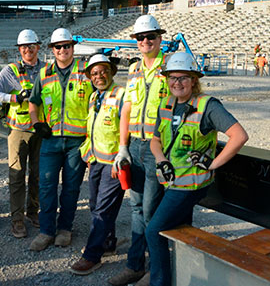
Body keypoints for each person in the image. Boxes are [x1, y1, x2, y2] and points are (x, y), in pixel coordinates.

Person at [146, 52, 248, 286]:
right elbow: (155, 140)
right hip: (171, 181)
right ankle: (186, 277)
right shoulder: (167, 103)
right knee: (182, 230)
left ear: (194, 80)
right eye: (172, 77)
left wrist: (213, 164)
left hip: (191, 185)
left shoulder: (207, 106)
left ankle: (159, 282)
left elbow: (239, 136)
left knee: (153, 231)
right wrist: (161, 159)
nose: (177, 83)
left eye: (184, 78)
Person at [108, 15, 168, 286]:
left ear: (160, 38)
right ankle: (135, 266)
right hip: (134, 144)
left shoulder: (170, 66)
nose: (145, 41)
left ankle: (155, 271)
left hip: (156, 148)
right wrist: (122, 147)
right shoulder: (133, 69)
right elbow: (127, 110)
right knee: (136, 209)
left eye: (150, 37)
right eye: (140, 38)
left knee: (151, 210)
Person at [27, 28, 93, 251]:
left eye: (67, 46)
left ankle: (65, 228)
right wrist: (37, 123)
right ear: (52, 50)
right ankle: (46, 231)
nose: (63, 50)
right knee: (46, 186)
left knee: (71, 188)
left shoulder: (85, 72)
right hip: (51, 140)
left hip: (77, 142)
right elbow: (33, 102)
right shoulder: (44, 74)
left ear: (73, 47)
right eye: (58, 47)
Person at [70, 54, 126, 276]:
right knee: (95, 204)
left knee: (102, 209)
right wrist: (88, 153)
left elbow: (125, 130)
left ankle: (92, 256)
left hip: (113, 162)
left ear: (111, 72)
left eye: (102, 71)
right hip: (96, 161)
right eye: (94, 73)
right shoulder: (94, 97)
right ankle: (108, 243)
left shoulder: (121, 95)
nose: (98, 76)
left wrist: (120, 158)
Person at [0, 29, 45, 238]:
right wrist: (14, 99)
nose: (28, 49)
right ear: (19, 49)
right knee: (17, 175)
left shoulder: (47, 70)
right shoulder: (11, 71)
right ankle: (17, 219)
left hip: (41, 130)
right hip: (19, 131)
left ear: (38, 47)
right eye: (24, 47)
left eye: (31, 46)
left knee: (38, 175)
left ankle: (33, 212)